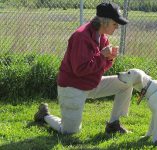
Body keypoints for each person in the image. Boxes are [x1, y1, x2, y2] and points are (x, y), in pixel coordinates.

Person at [34, 2, 133, 134]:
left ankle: (113, 125)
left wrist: (109, 58)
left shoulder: (102, 36)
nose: (117, 28)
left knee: (126, 83)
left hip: (90, 83)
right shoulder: (81, 36)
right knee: (69, 132)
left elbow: (101, 67)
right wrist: (102, 56)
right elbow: (80, 69)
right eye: (115, 24)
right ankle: (44, 115)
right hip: (72, 87)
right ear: (105, 22)